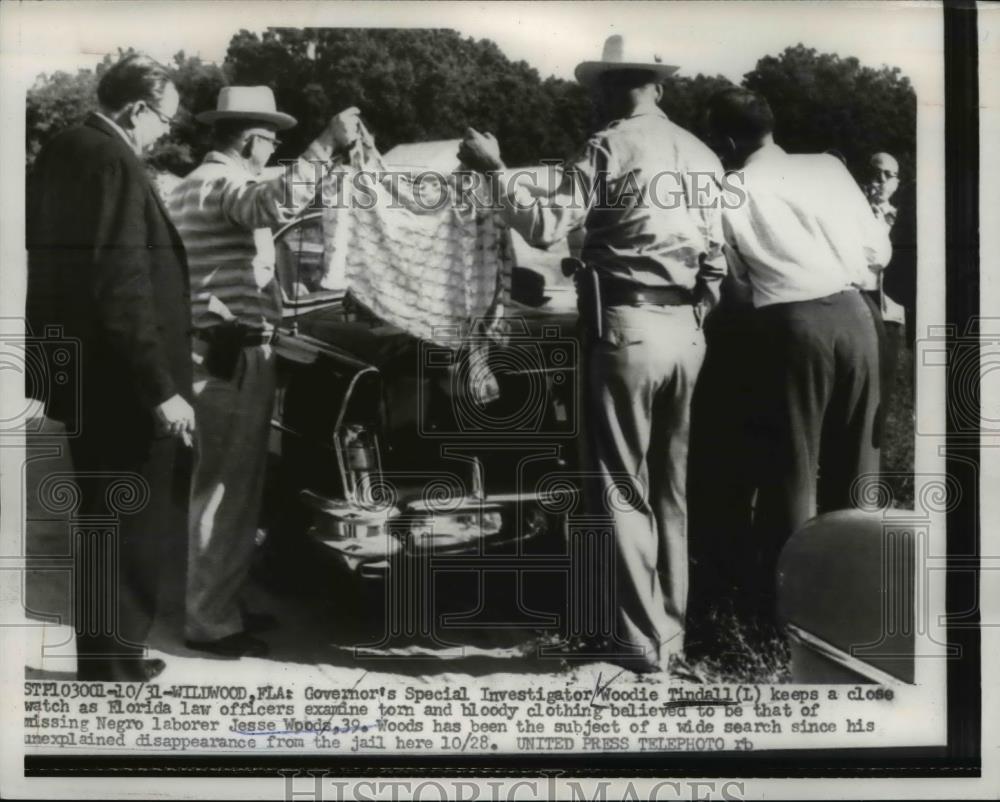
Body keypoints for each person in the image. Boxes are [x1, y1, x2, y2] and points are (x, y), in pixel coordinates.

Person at [460, 35, 726, 674]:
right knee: (671, 490)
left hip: (628, 322)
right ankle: (674, 632)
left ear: (610, 88)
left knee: (620, 485)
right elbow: (718, 258)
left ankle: (644, 644)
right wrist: (694, 315)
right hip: (687, 326)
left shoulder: (609, 145)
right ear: (658, 86)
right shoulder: (703, 153)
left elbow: (547, 227)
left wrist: (496, 171)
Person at [168, 86, 361, 658]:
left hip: (211, 349)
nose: (273, 148)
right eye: (272, 140)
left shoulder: (191, 185)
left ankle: (219, 604)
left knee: (226, 488)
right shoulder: (223, 183)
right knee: (225, 493)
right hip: (231, 354)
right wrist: (325, 145)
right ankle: (209, 621)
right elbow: (271, 206)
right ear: (250, 139)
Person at [26, 53, 194, 681]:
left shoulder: (61, 149)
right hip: (124, 381)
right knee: (131, 520)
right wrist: (161, 386)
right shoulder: (114, 159)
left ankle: (105, 658)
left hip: (80, 374)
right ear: (136, 109)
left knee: (99, 518)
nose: (165, 135)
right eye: (165, 122)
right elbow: (119, 282)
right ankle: (116, 665)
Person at [704, 88, 891, 629]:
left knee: (791, 470)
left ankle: (789, 614)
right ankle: (860, 606)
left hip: (792, 323)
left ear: (728, 140)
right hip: (856, 314)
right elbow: (878, 252)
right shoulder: (826, 169)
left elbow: (734, 278)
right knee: (857, 466)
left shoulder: (730, 189)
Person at [860, 152, 906, 449]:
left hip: (890, 313)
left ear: (897, 182)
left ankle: (876, 469)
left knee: (883, 392)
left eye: (888, 175)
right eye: (875, 174)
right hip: (861, 309)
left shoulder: (903, 220)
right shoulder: (855, 214)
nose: (881, 181)